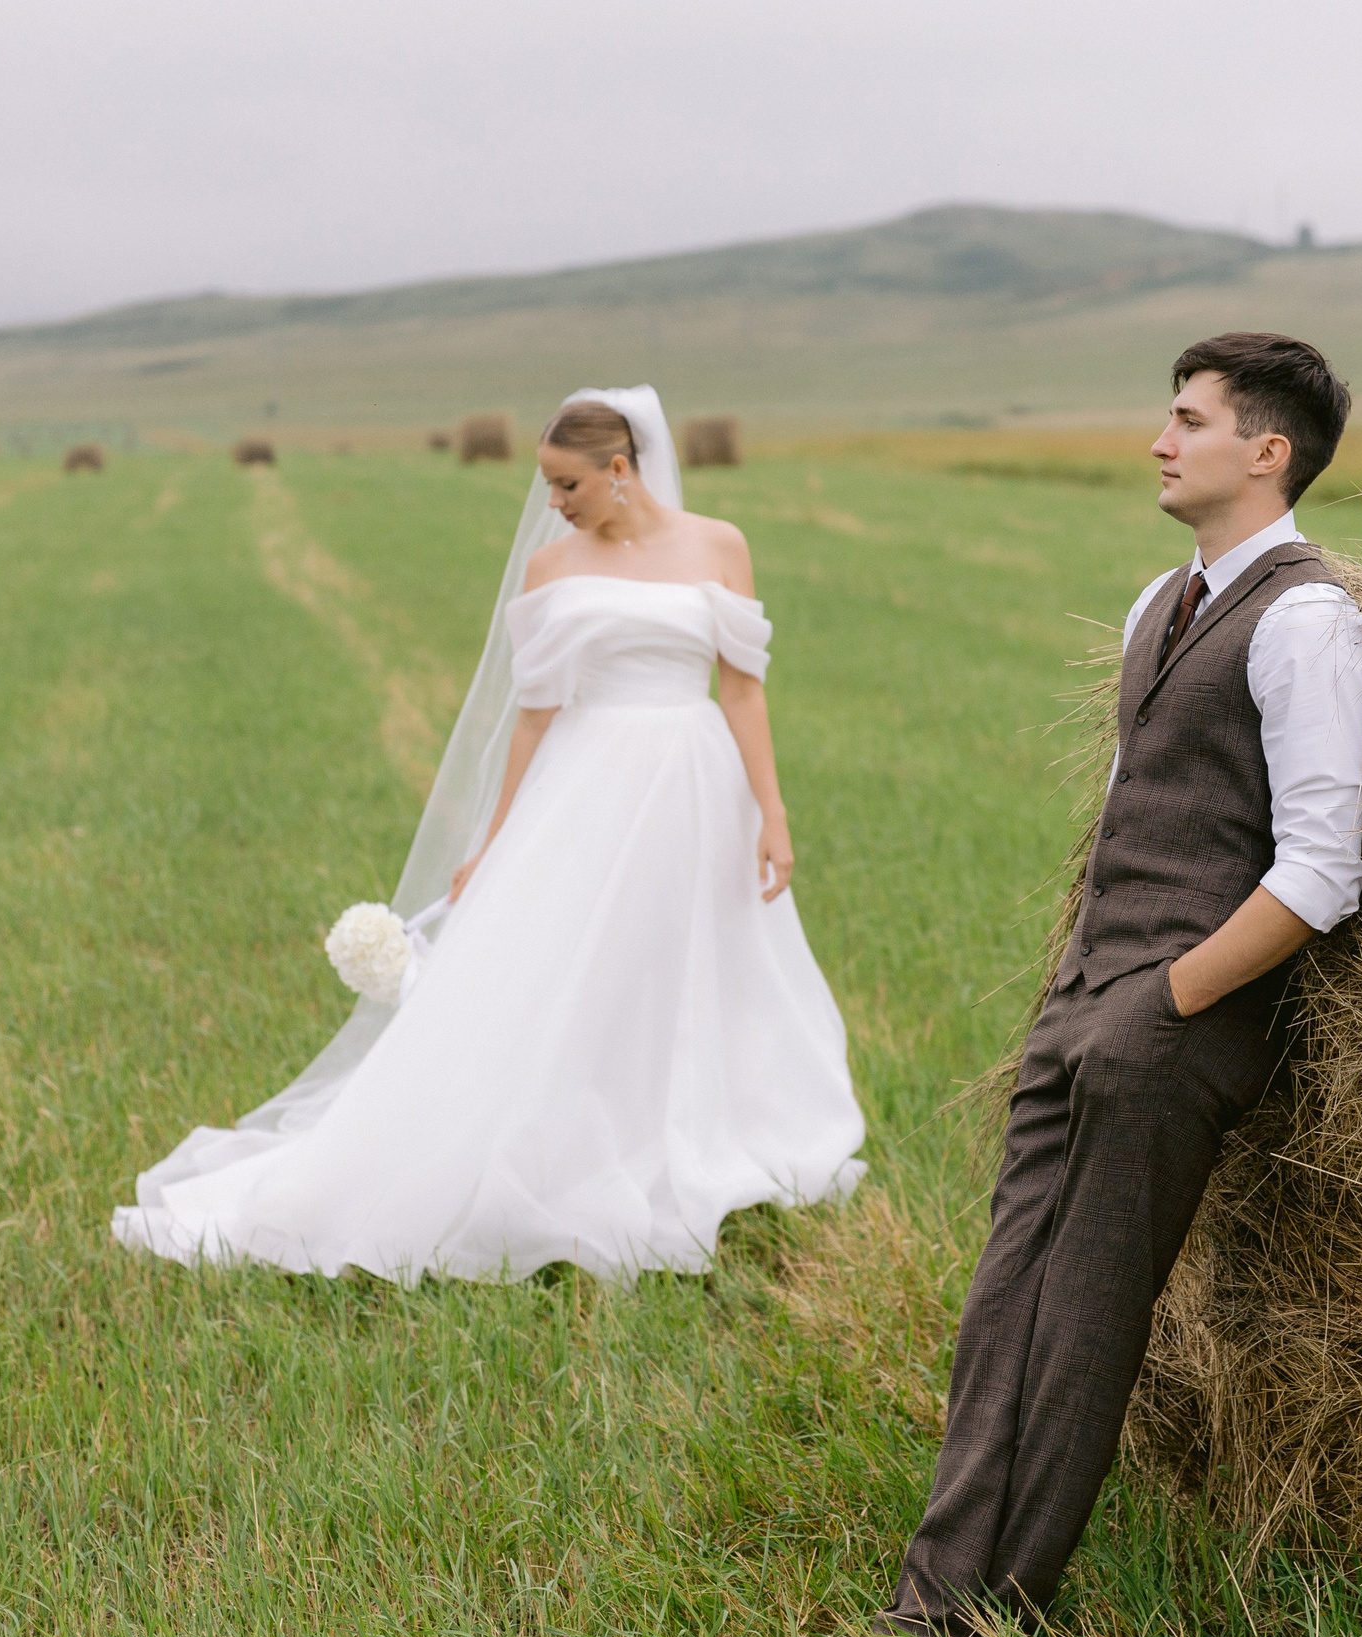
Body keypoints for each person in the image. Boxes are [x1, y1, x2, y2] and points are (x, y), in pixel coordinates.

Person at [111, 387, 865, 1284]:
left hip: (698, 786)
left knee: (695, 963)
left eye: (568, 484)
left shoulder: (720, 545)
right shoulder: (555, 572)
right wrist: (495, 839)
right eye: (546, 485)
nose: (554, 504)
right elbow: (534, 721)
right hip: (590, 785)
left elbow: (742, 688)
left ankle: (700, 1138)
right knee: (577, 972)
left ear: (620, 470)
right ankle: (570, 1155)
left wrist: (772, 811)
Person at [877, 335, 1362, 1637]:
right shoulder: (1160, 602)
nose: (1161, 439)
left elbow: (1324, 867)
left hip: (1174, 1025)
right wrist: (1080, 990)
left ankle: (993, 1615)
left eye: (1188, 419)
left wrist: (1166, 997)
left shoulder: (1311, 620)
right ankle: (929, 1605)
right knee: (1007, 1302)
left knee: (1086, 1314)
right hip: (1087, 1005)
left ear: (1265, 451)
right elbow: (1123, 822)